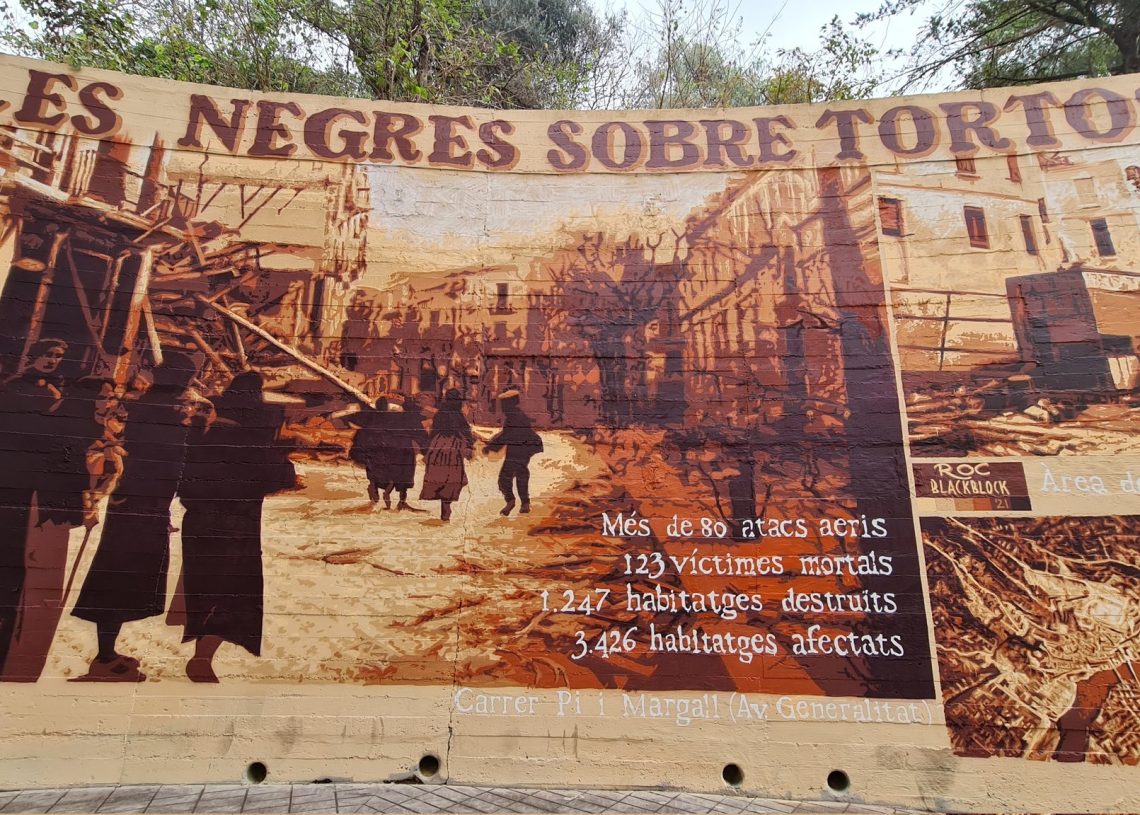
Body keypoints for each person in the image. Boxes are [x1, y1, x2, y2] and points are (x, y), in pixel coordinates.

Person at [71, 352, 198, 682]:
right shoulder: (165, 411)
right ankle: (103, 658)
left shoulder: (149, 406)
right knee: (119, 580)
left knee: (122, 580)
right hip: (140, 507)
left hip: (142, 506)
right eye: (185, 376)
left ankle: (106, 653)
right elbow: (166, 462)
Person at [173, 370, 294, 683]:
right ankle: (203, 656)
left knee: (203, 586)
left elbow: (181, 477)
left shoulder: (199, 435)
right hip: (238, 524)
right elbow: (275, 476)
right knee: (231, 592)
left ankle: (201, 650)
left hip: (199, 521)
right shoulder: (255, 437)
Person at [0, 339, 95, 679]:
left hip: (36, 491)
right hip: (12, 485)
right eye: (48, 355)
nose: (53, 361)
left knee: (24, 569)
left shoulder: (57, 391)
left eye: (58, 357)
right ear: (34, 356)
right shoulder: (15, 389)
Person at [347, 395, 429, 510]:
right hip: (401, 452)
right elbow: (419, 436)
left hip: (381, 452)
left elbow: (362, 434)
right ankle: (400, 501)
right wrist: (426, 450)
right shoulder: (399, 418)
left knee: (379, 474)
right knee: (402, 475)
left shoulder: (377, 418)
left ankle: (378, 492)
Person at [485, 389, 543, 516]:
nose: (503, 408)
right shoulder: (517, 416)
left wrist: (491, 445)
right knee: (521, 475)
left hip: (519, 450)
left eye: (504, 404)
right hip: (522, 450)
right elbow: (507, 435)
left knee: (504, 478)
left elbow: (507, 435)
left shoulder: (514, 418)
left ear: (509, 404)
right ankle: (524, 503)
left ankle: (511, 501)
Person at [419, 389, 474, 522]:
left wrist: (428, 448)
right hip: (454, 446)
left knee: (440, 475)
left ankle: (445, 505)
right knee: (451, 477)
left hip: (439, 444)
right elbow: (466, 431)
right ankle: (446, 504)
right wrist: (469, 446)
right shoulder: (458, 415)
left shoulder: (440, 414)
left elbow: (433, 431)